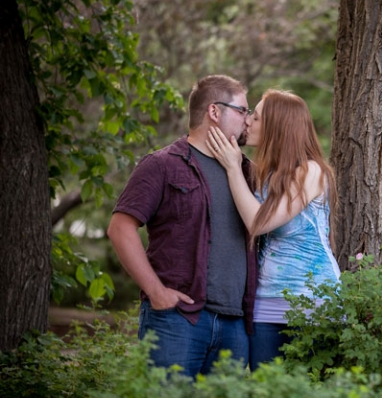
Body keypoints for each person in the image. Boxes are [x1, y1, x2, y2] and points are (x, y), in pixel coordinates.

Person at [107, 74, 257, 378]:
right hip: (178, 320)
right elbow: (120, 228)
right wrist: (156, 291)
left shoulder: (247, 172)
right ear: (214, 111)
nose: (248, 119)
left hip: (235, 325)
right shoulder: (162, 164)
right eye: (242, 110)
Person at [205, 89, 339, 368]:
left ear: (277, 127)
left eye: (255, 117)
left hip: (313, 304)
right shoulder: (267, 176)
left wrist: (233, 168)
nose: (247, 121)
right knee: (266, 390)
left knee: (312, 390)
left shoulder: (311, 172)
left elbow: (259, 222)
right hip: (265, 304)